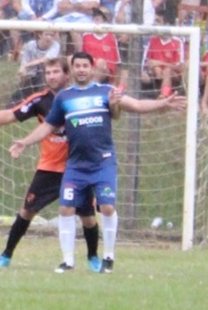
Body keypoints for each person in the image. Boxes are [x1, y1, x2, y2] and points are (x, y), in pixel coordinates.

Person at [10, 51, 186, 273]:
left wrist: (164, 104)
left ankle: (109, 257)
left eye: (85, 65)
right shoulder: (64, 98)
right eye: (77, 66)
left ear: (92, 68)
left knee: (107, 207)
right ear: (72, 70)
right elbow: (47, 126)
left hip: (102, 162)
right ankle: (68, 261)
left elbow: (138, 105)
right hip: (75, 164)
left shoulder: (107, 92)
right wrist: (25, 142)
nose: (81, 69)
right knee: (66, 209)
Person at [0, 57, 101, 270]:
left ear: (66, 74)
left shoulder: (81, 98)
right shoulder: (39, 101)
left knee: (88, 217)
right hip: (49, 168)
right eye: (48, 72)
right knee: (27, 211)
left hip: (76, 168)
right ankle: (6, 255)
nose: (51, 76)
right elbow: (9, 115)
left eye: (55, 72)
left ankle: (93, 258)